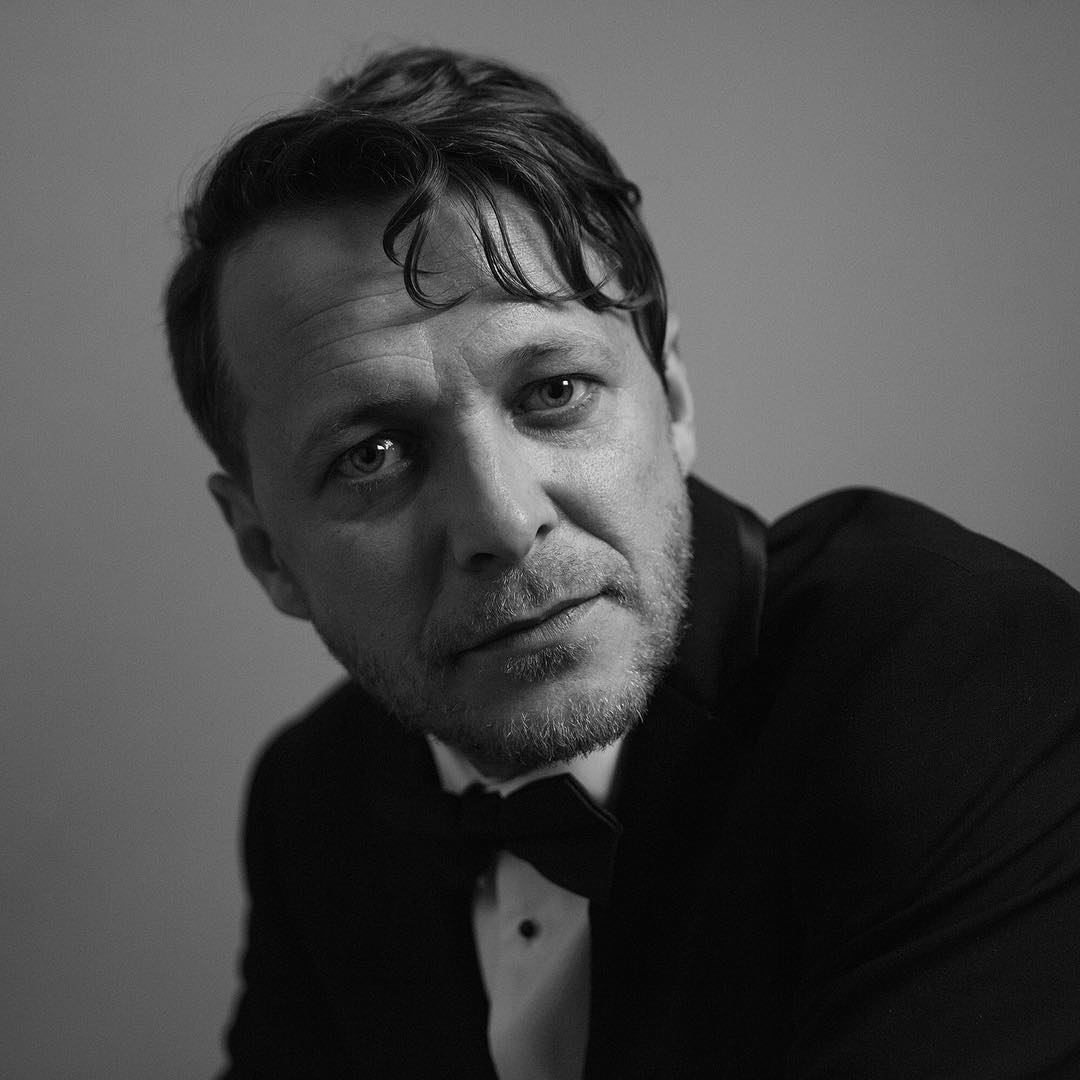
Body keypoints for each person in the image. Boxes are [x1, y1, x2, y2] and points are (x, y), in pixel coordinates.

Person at [164, 46, 1080, 1079]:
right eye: (371, 454)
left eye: (553, 392)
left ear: (672, 397)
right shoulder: (314, 802)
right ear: (266, 552)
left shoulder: (969, 679)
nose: (504, 522)